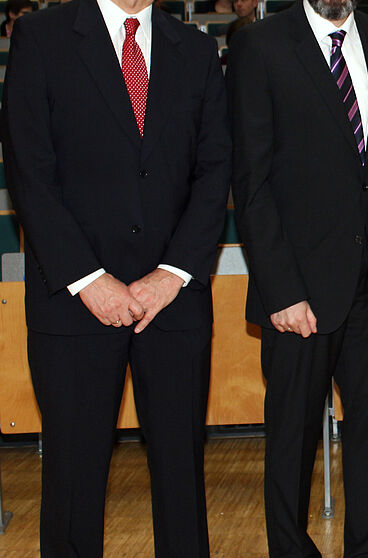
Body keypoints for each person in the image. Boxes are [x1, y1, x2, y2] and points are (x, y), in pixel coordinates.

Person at [0, 0, 231, 554]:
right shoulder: (41, 37)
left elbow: (216, 169)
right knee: (73, 484)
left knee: (180, 481)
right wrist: (89, 279)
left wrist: (172, 275)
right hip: (74, 304)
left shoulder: (195, 49)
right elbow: (29, 171)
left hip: (174, 303)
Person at [226, 0, 368, 555]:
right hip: (297, 293)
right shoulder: (260, 46)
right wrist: (281, 289)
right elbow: (251, 181)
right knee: (291, 441)